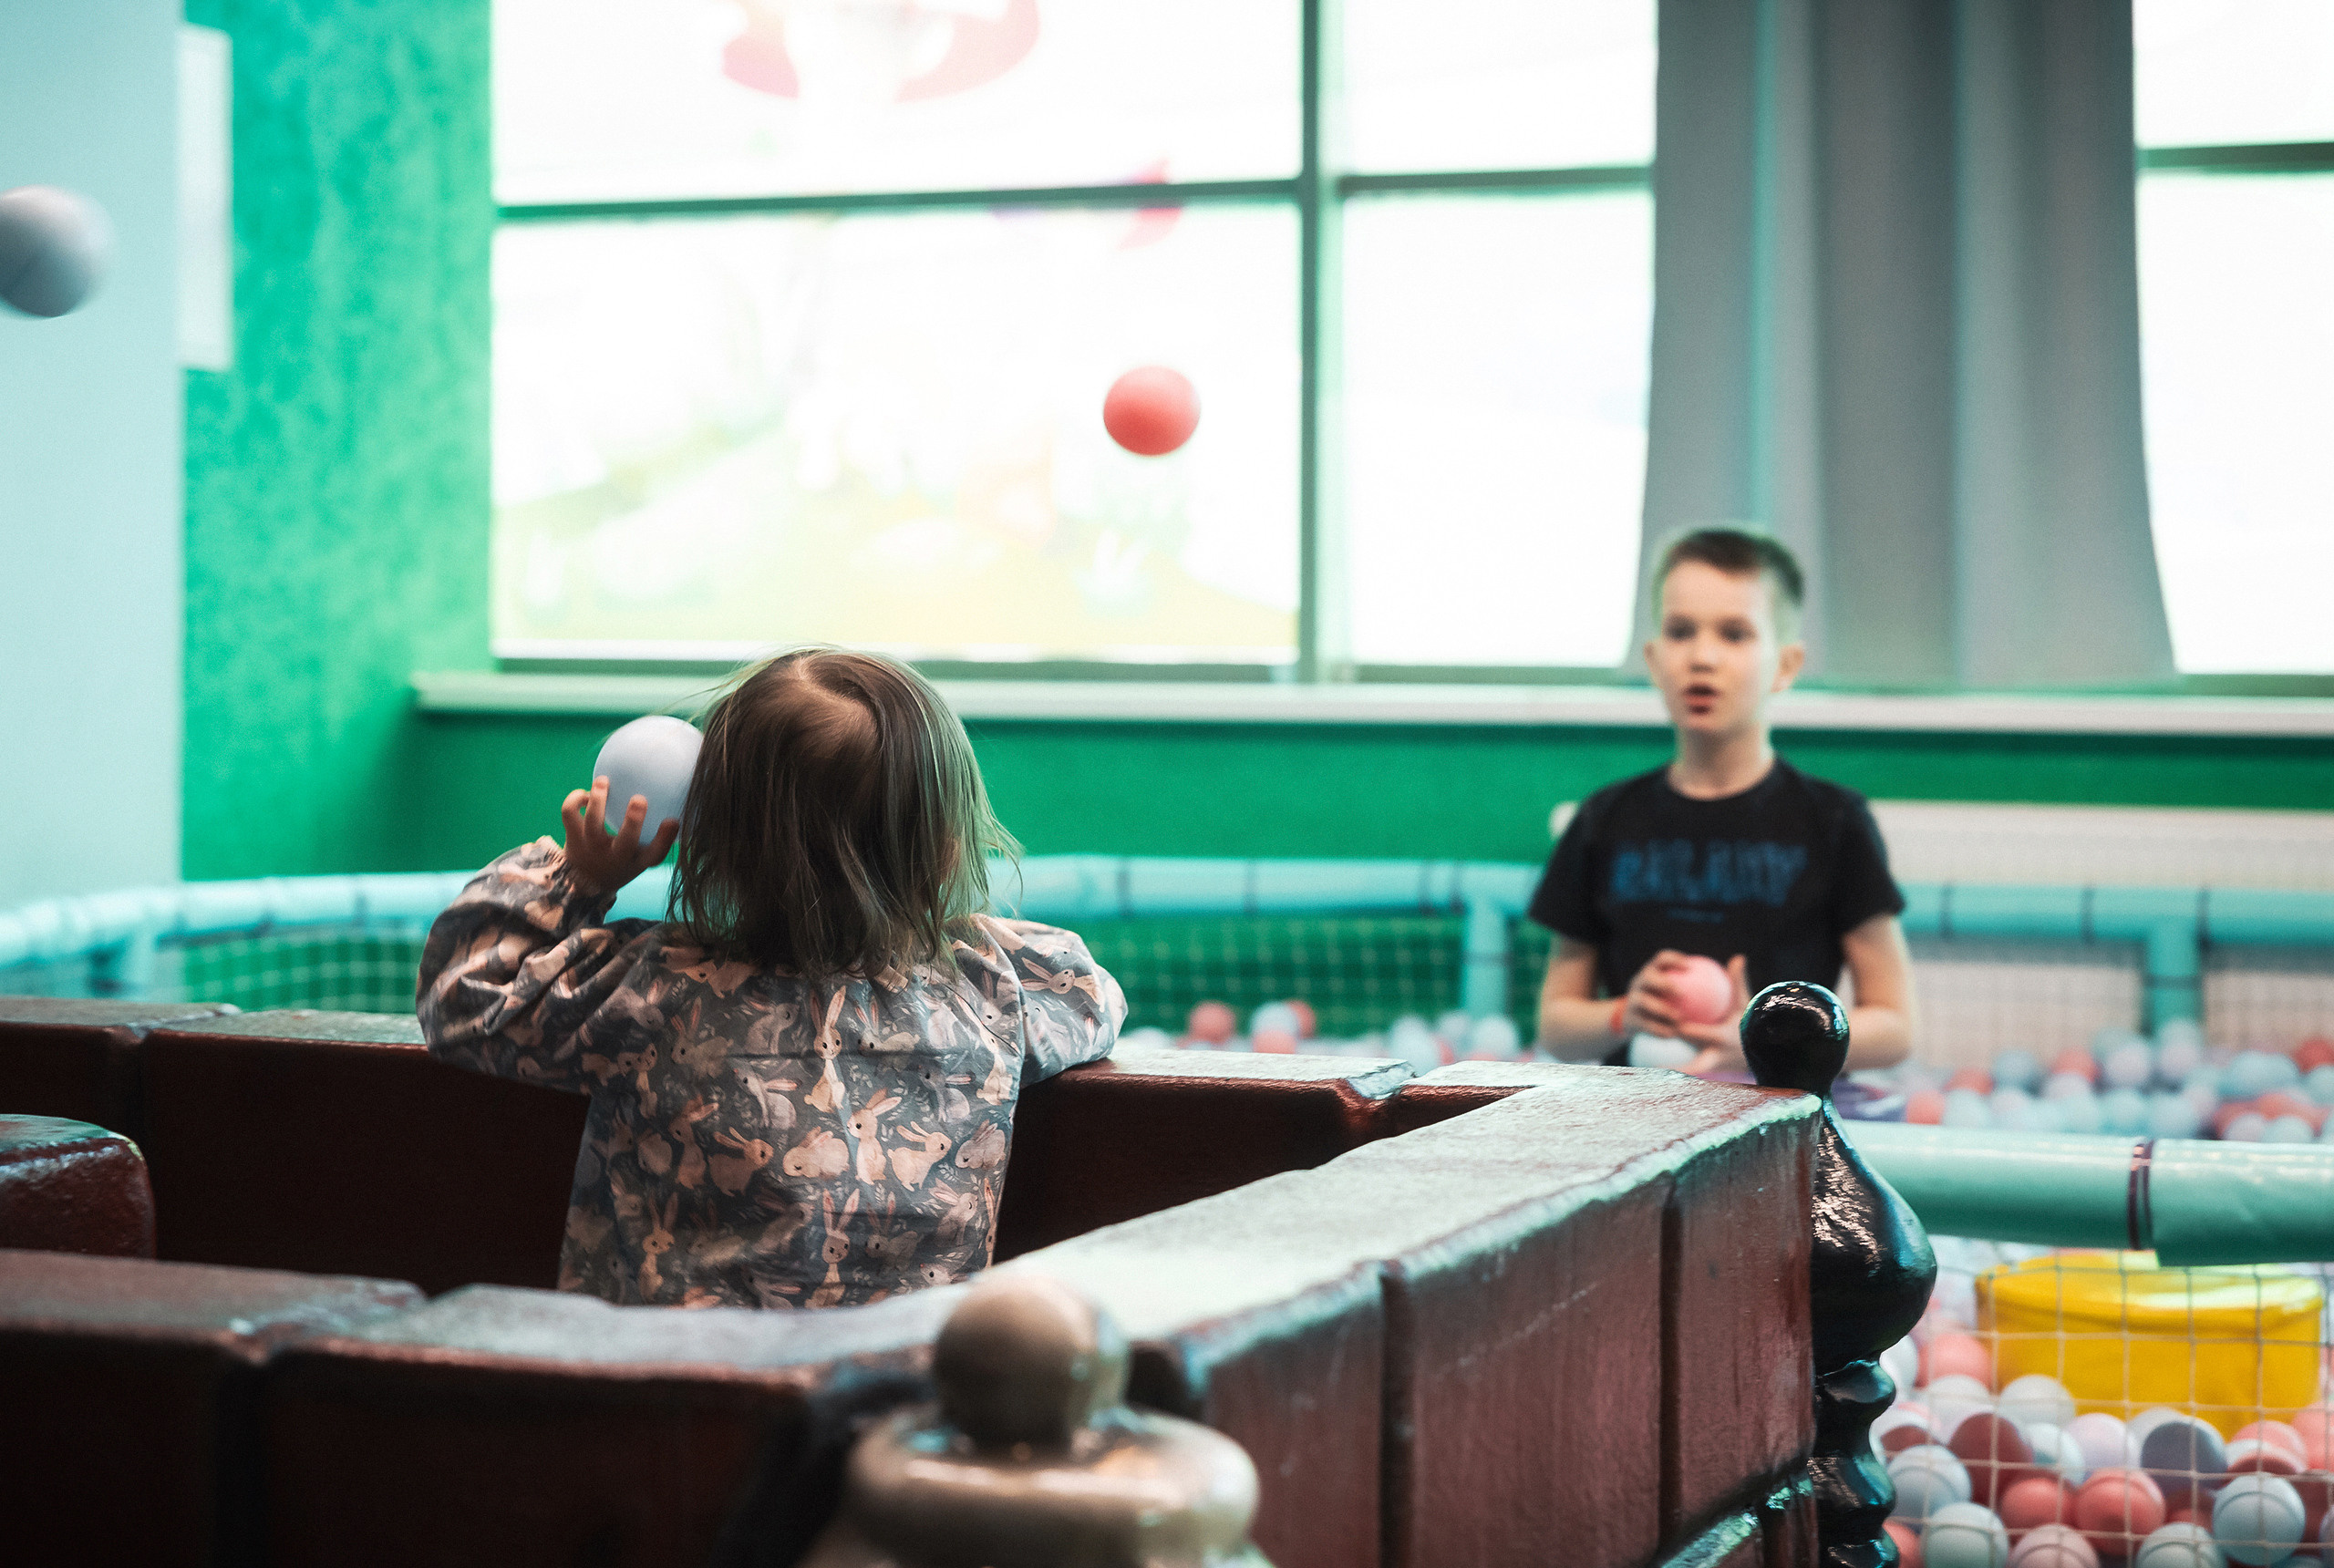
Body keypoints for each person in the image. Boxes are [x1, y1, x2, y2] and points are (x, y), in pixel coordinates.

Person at [418, 649, 1124, 1309]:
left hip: (679, 1402)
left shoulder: (647, 992)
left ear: (708, 839)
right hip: (892, 1393)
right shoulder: (994, 989)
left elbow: (463, 997)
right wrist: (942, 918)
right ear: (944, 850)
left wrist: (577, 877)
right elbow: (1091, 995)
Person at [1532, 528, 1914, 1076]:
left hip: (1772, 1114)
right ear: (1655, 658)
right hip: (1635, 1112)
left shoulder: (1834, 822)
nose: (1702, 657)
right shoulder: (1602, 821)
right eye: (1680, 631)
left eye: (1734, 634)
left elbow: (1897, 1026)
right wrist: (1624, 1013)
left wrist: (1772, 1044)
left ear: (1784, 665)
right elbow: (1556, 1026)